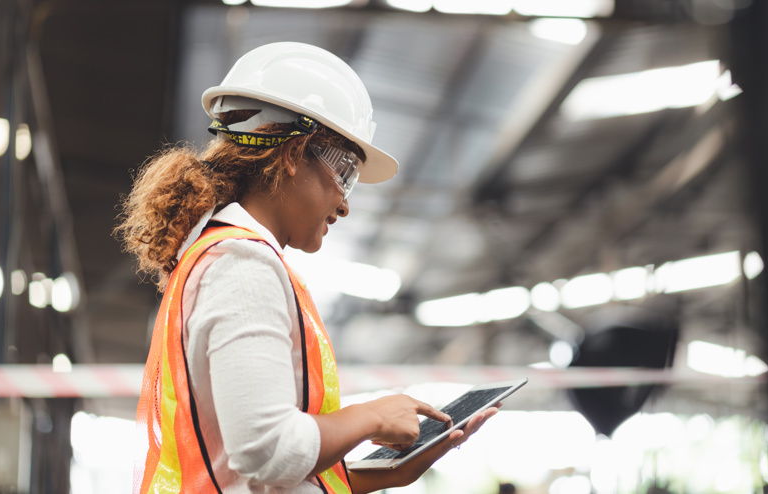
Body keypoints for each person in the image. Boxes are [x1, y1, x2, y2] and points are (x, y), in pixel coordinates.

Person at [116, 42, 498, 494]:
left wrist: (384, 475)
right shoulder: (242, 264)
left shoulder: (220, 255)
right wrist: (370, 415)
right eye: (345, 171)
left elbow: (240, 470)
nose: (345, 202)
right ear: (294, 154)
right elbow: (267, 453)